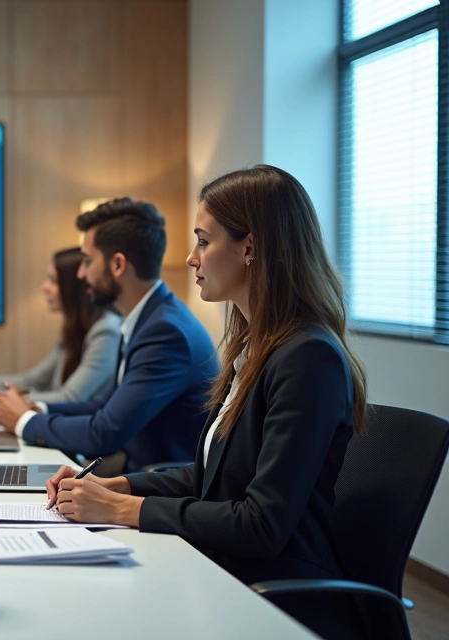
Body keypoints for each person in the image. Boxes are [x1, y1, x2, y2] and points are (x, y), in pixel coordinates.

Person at [44, 165, 368, 639]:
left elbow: (260, 524)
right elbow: (212, 476)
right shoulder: (254, 349)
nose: (192, 258)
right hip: (226, 570)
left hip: (273, 596)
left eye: (203, 240)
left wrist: (118, 511)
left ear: (250, 248)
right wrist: (120, 486)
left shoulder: (307, 357)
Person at [0, 197, 218, 473]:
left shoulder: (166, 332)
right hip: (138, 476)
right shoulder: (149, 318)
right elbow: (104, 406)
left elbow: (105, 433)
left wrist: (23, 421)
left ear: (117, 265)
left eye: (87, 260)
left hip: (159, 492)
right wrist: (36, 409)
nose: (81, 274)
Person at [0, 247, 121, 404]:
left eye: (53, 280)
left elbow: (70, 398)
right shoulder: (74, 328)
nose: (44, 287)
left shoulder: (105, 332)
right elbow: (32, 380)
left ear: (74, 287)